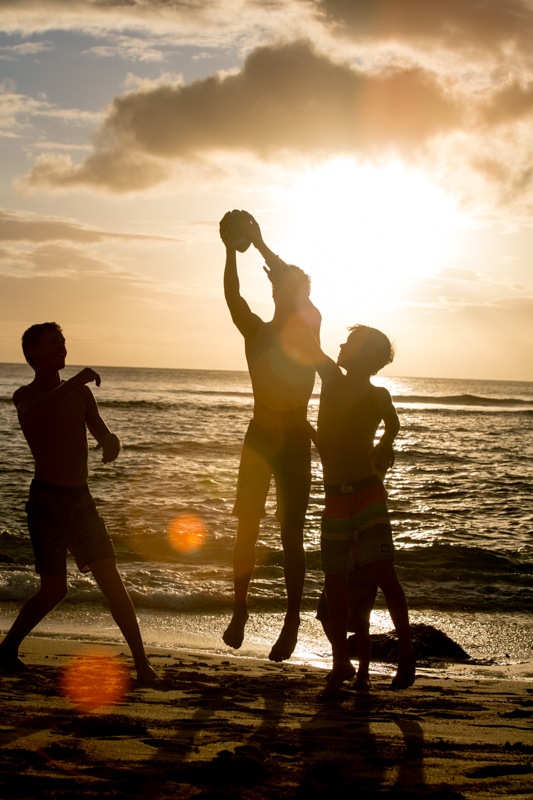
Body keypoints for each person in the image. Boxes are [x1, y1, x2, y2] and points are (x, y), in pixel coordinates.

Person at [0, 322, 156, 683]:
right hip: (47, 501)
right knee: (55, 589)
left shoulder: (82, 395)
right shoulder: (25, 394)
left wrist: (111, 441)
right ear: (33, 352)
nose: (62, 347)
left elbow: (101, 431)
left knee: (112, 580)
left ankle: (142, 662)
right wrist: (74, 381)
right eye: (54, 342)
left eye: (64, 342)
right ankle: (7, 649)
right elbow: (33, 414)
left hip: (81, 500)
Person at [220, 210, 321, 662]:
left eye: (287, 286)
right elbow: (232, 295)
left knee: (290, 535)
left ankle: (292, 621)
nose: (280, 289)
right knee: (246, 528)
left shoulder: (309, 323)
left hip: (295, 440)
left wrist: (260, 243)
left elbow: (297, 296)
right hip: (259, 438)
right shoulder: (256, 332)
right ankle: (239, 609)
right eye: (277, 284)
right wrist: (229, 251)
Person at [304, 323, 415, 697]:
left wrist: (386, 441)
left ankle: (406, 653)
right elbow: (308, 341)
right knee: (335, 581)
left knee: (384, 572)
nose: (339, 345)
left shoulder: (379, 394)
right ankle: (340, 663)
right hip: (335, 495)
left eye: (349, 343)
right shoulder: (331, 377)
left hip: (368, 492)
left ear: (367, 356)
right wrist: (286, 287)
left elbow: (394, 422)